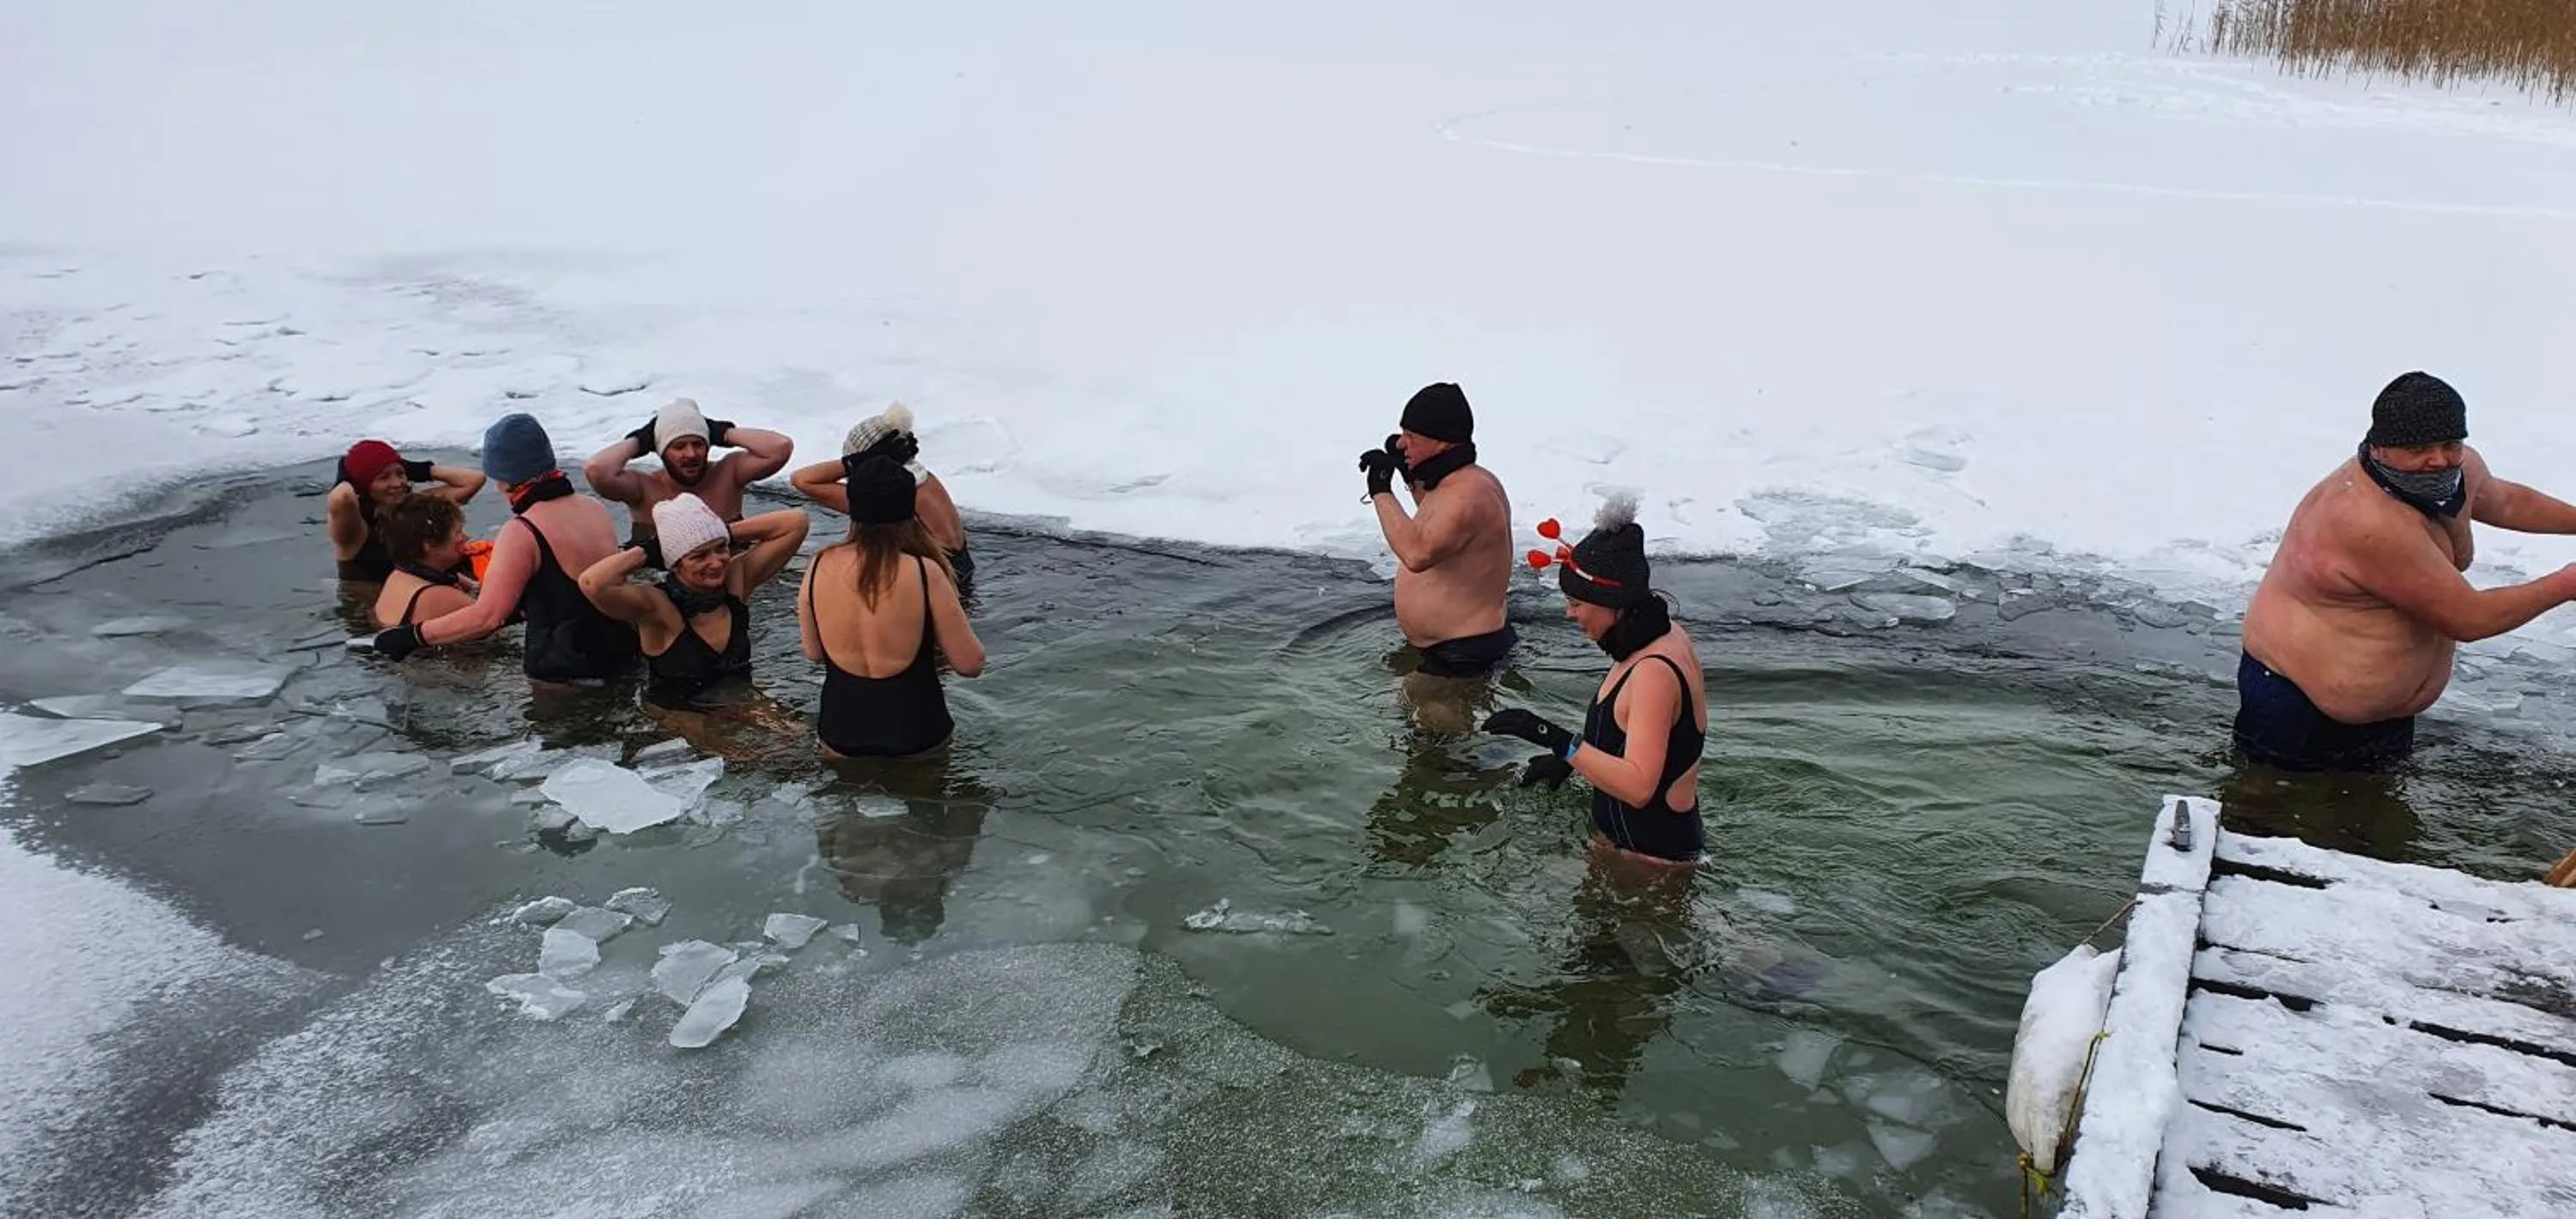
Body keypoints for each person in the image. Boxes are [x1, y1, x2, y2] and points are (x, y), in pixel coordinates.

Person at [2237, 371, 2576, 773]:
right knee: (2267, 806)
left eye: (2451, 444)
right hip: (2298, 709)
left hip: (2383, 716)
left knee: (2377, 809)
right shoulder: (2367, 521)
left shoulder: (2453, 471)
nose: (2438, 460)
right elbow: (2468, 618)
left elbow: (2505, 502)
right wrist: (2566, 583)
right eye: (2418, 449)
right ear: (2379, 449)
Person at [1483, 494, 1710, 864]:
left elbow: (1638, 787)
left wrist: (1556, 740)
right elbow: (1629, 734)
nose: (1569, 614)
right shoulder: (1658, 636)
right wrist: (1571, 761)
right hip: (1633, 851)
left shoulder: (1653, 671)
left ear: (1612, 603)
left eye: (1576, 603)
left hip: (1651, 866)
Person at [371, 413, 641, 682]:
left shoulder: (522, 531)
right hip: (624, 653)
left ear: (504, 479)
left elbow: (487, 618)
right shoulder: (594, 508)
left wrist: (410, 636)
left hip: (564, 671)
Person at [797, 455, 985, 759]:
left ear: (852, 505)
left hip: (839, 735)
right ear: (910, 508)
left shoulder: (819, 565)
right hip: (917, 738)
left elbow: (814, 653)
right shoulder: (925, 572)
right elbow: (970, 665)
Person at [574, 493, 809, 708]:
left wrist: (715, 532)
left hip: (736, 701)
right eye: (700, 556)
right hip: (677, 716)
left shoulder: (734, 583)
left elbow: (796, 523)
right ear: (675, 564)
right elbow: (592, 582)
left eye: (721, 548)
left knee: (795, 731)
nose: (716, 563)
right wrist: (650, 551)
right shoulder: (658, 608)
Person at [1358, 382, 1515, 677]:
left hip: (1463, 652)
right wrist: (1410, 476)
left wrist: (1380, 489)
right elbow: (1439, 523)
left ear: (1442, 442)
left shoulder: (1468, 494)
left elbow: (1417, 554)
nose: (1401, 444)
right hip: (1455, 645)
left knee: (1430, 712)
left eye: (1411, 437)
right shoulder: (1463, 482)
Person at [788, 403, 975, 585]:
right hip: (954, 576)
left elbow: (802, 480)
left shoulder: (887, 494)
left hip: (928, 582)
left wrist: (857, 462)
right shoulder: (927, 481)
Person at [582, 397, 794, 544]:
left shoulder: (728, 475)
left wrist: (723, 432)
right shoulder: (644, 489)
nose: (691, 454)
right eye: (679, 446)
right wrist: (640, 440)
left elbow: (780, 448)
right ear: (661, 451)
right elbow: (597, 470)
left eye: (698, 444)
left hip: (730, 570)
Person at [327, 440, 485, 581]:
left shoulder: (415, 509)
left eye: (400, 474)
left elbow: (474, 480)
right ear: (362, 484)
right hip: (371, 602)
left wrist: (415, 469)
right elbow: (342, 498)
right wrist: (350, 474)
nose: (397, 483)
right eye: (384, 477)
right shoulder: (355, 533)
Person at [370, 494, 480, 629]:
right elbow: (494, 618)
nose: (466, 537)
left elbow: (466, 583)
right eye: (458, 533)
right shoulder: (439, 596)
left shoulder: (400, 573)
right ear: (429, 544)